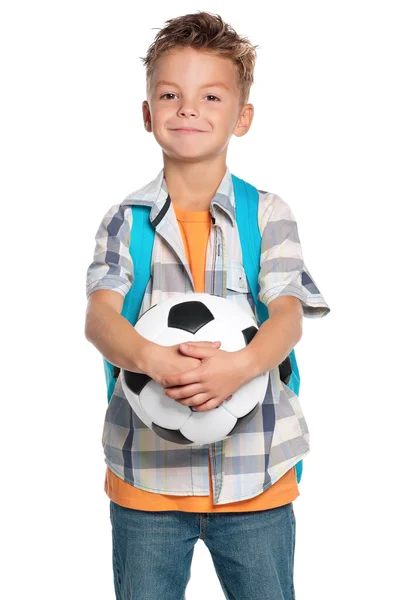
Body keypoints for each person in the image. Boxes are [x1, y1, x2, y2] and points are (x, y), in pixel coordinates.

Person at [85, 10, 331, 600]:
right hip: (147, 481)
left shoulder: (268, 214)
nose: (188, 108)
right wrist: (153, 359)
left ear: (241, 117)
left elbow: (288, 315)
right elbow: (100, 318)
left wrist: (240, 366)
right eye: (170, 94)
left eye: (211, 96)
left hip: (256, 479)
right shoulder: (126, 220)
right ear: (148, 114)